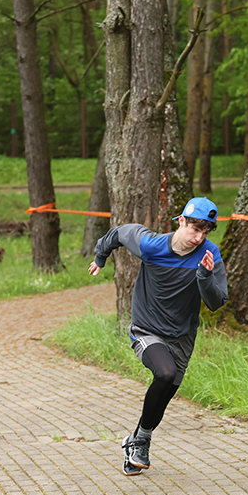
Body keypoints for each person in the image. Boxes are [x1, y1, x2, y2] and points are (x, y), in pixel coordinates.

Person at [88, 197, 228, 476]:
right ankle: (141, 442)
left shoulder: (209, 254)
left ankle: (136, 443)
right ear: (181, 221)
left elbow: (217, 301)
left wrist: (204, 277)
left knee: (165, 393)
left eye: (204, 232)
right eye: (194, 229)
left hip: (183, 335)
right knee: (164, 374)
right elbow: (118, 233)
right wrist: (100, 257)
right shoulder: (151, 245)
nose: (198, 238)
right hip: (147, 329)